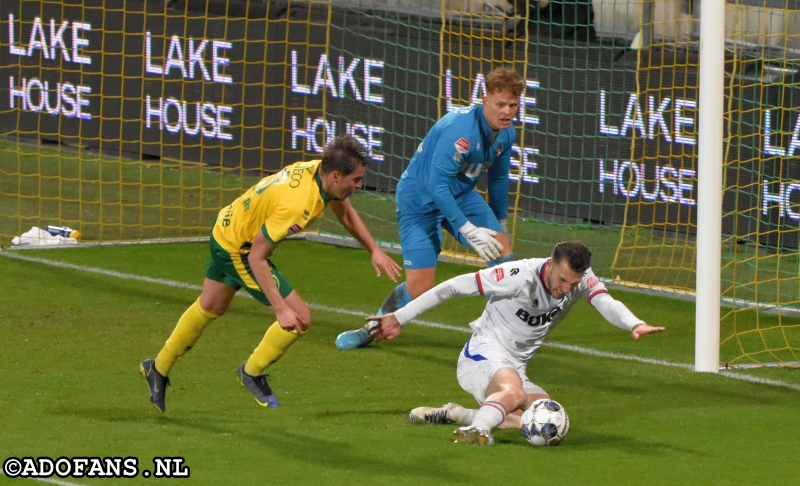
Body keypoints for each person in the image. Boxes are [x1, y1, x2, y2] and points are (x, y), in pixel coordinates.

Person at [139, 135, 402, 412]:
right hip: (238, 247)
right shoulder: (297, 205)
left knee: (211, 304)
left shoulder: (320, 172)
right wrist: (280, 310)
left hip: (228, 227)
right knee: (299, 316)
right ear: (336, 176)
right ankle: (251, 371)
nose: (359, 186)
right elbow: (256, 257)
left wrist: (373, 248)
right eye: (356, 180)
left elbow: (344, 212)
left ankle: (157, 368)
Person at [365, 241, 666, 445]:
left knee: (548, 418)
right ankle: (477, 429)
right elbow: (453, 287)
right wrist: (399, 317)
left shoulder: (581, 279)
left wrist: (634, 324)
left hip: (515, 365)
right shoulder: (519, 275)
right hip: (482, 352)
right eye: (562, 280)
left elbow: (607, 303)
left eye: (572, 284)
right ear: (551, 264)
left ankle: (458, 414)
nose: (565, 290)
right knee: (513, 391)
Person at [334, 66, 526, 350]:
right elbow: (436, 186)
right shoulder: (459, 130)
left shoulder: (506, 134)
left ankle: (496, 336)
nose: (507, 111)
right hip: (419, 201)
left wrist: (500, 221)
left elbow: (498, 178)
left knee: (503, 253)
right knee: (420, 287)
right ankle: (372, 328)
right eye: (500, 104)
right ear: (485, 100)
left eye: (512, 105)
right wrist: (467, 228)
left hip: (460, 193)